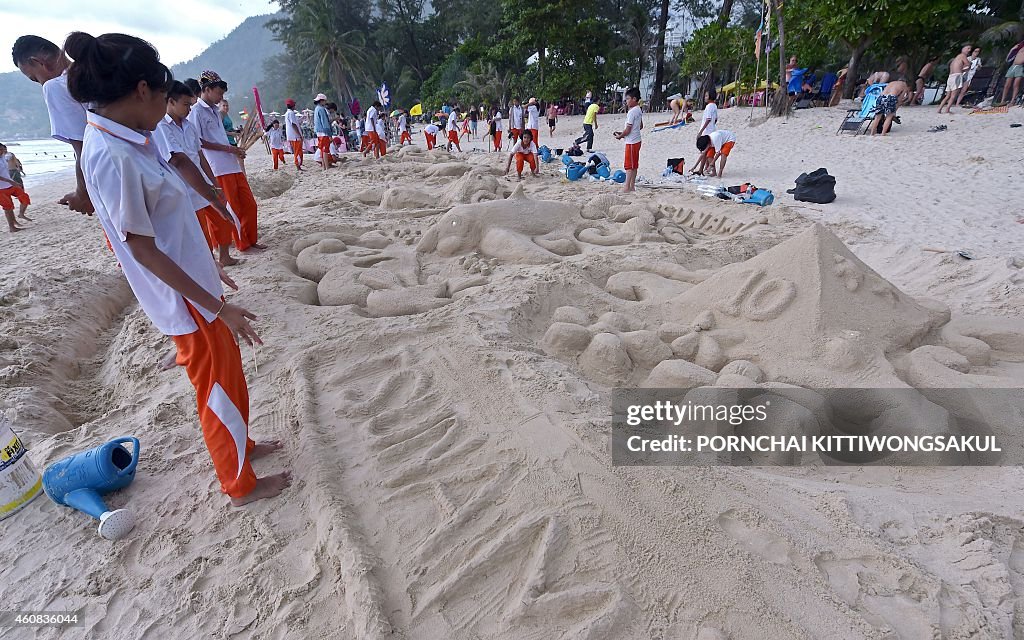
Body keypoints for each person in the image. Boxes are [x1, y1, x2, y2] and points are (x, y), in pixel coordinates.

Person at [63, 31, 289, 505]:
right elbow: (143, 249)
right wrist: (214, 305)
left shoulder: (131, 140)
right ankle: (239, 483)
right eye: (165, 97)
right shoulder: (112, 154)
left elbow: (171, 228)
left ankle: (242, 446)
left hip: (196, 286)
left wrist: (211, 268)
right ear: (143, 90)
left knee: (228, 378)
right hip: (187, 303)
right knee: (217, 388)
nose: (166, 111)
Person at [154, 81, 238, 267]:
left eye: (190, 105)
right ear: (170, 102)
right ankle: (209, 264)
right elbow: (178, 160)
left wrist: (214, 183)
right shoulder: (161, 127)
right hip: (185, 187)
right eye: (186, 105)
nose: (189, 109)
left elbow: (200, 157)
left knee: (222, 220)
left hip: (203, 182)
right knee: (200, 232)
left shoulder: (188, 125)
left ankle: (224, 256)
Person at [12, 35, 93, 215]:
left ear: (39, 62)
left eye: (34, 78)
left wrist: (81, 194)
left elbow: (84, 147)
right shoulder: (93, 71)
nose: (40, 84)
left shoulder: (56, 86)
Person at [190, 70, 264, 252]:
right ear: (207, 89)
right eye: (219, 93)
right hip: (217, 168)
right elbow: (198, 142)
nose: (221, 97)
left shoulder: (216, 111)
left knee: (249, 205)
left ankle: (250, 239)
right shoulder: (196, 112)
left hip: (231, 164)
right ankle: (242, 244)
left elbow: (221, 136)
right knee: (233, 208)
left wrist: (234, 151)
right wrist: (228, 149)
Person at [613, 87, 643, 193]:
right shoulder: (639, 109)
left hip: (631, 142)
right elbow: (640, 126)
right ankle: (632, 186)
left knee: (629, 166)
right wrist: (623, 133)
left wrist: (621, 135)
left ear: (634, 99)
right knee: (634, 165)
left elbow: (629, 129)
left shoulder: (631, 112)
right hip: (637, 140)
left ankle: (626, 187)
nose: (626, 101)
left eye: (627, 99)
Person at [0, 142, 30, 231]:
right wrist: (10, 181)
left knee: (24, 197)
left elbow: (6, 172)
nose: (2, 151)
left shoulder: (3, 157)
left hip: (10, 184)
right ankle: (12, 227)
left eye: (3, 149)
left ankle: (20, 215)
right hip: (1, 188)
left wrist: (13, 181)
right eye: (0, 150)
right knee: (8, 207)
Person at [938, 44, 972, 114]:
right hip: (957, 76)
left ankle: (939, 109)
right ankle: (947, 109)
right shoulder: (963, 56)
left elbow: (958, 68)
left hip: (950, 77)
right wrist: (969, 65)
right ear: (963, 49)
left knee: (947, 96)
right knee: (953, 95)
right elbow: (968, 64)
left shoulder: (954, 59)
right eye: (968, 48)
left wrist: (963, 70)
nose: (969, 50)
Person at [999, 40, 1024, 106]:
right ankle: (1002, 100)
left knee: (1016, 84)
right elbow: (1008, 59)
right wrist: (1012, 49)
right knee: (1007, 85)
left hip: (1020, 67)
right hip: (1012, 66)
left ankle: (1012, 101)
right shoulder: (1019, 48)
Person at [313, 93, 333, 170]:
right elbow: (325, 123)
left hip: (318, 132)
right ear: (321, 101)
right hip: (323, 132)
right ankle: (326, 167)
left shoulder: (316, 109)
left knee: (322, 149)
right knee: (325, 150)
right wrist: (330, 134)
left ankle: (324, 167)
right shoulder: (321, 109)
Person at [284, 99, 304, 170]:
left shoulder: (287, 113)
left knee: (297, 151)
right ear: (292, 105)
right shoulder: (291, 113)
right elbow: (293, 124)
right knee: (298, 151)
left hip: (292, 135)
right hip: (295, 135)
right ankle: (298, 165)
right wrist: (299, 134)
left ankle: (298, 164)